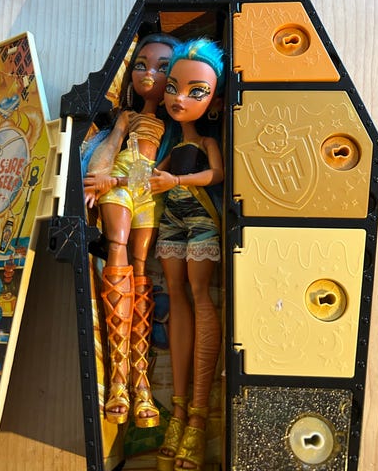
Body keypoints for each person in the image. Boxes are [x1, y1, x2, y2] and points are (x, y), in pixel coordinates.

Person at [83, 33, 178, 428]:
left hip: (146, 190)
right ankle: (119, 380)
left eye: (161, 67)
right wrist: (101, 178)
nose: (149, 73)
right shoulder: (127, 116)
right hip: (122, 183)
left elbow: (165, 171)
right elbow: (110, 150)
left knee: (141, 268)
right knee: (118, 248)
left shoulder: (174, 124)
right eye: (141, 65)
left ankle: (141, 383)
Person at [150, 38, 225, 471]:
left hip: (199, 217)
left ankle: (198, 416)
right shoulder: (170, 146)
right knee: (176, 295)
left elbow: (216, 174)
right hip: (172, 221)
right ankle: (177, 410)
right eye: (173, 88)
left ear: (214, 102)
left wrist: (175, 183)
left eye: (196, 92)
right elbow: (150, 175)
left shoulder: (206, 142)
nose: (179, 99)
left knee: (199, 296)